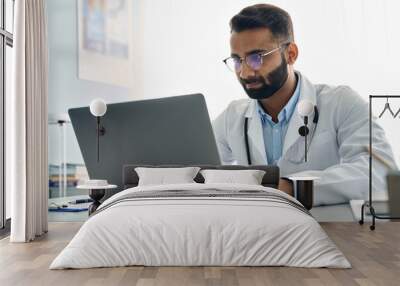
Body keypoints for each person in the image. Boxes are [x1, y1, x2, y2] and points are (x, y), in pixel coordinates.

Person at [213, 3, 396, 205]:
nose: (245, 72)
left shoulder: (341, 103)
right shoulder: (232, 116)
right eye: (238, 60)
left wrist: (293, 188)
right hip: (258, 231)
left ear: (290, 54)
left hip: (328, 232)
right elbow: (202, 173)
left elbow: (379, 172)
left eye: (257, 58)